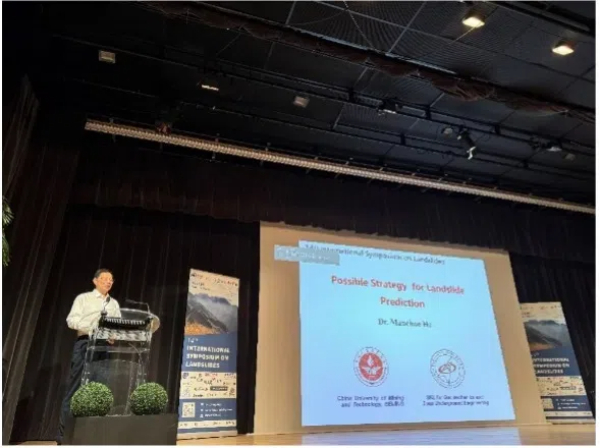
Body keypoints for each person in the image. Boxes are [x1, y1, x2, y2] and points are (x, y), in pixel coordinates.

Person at [56, 269, 121, 445]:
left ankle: (93, 436)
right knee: (76, 388)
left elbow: (117, 325)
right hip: (85, 343)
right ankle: (64, 436)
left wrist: (113, 335)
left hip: (104, 347)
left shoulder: (113, 303)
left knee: (100, 389)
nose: (108, 282)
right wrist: (93, 328)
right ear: (95, 281)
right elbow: (71, 320)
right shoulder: (83, 299)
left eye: (111, 279)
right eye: (104, 278)